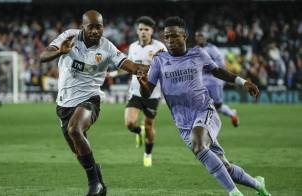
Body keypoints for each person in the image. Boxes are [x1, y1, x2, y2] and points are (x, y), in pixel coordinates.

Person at [137, 16, 271, 196]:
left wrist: (243, 81)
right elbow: (147, 93)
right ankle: (258, 185)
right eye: (166, 37)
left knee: (199, 145)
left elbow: (218, 71)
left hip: (203, 111)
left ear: (184, 36)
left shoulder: (198, 54)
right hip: (182, 122)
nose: (170, 40)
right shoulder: (159, 60)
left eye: (174, 36)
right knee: (225, 167)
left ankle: (234, 193)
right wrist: (143, 84)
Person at [39, 10, 148, 196]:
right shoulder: (69, 37)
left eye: (99, 27)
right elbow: (43, 56)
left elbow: (128, 65)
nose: (96, 31)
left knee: (75, 129)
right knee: (79, 151)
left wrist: (143, 70)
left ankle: (93, 185)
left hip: (90, 99)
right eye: (91, 27)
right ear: (83, 27)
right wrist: (60, 51)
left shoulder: (107, 47)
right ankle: (100, 184)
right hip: (64, 103)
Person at [124, 16, 167, 167]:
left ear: (152, 31)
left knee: (150, 126)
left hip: (152, 94)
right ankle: (138, 131)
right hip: (135, 92)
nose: (143, 32)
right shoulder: (132, 47)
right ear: (137, 31)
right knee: (129, 123)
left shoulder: (159, 47)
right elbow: (129, 66)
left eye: (146, 29)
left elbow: (166, 68)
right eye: (141, 29)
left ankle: (147, 154)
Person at [195, 31, 239, 127]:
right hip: (202, 81)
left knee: (218, 105)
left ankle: (232, 114)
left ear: (206, 37)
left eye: (201, 36)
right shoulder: (195, 50)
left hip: (214, 80)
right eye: (197, 36)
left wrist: (227, 78)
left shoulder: (212, 49)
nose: (199, 38)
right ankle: (205, 124)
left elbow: (221, 64)